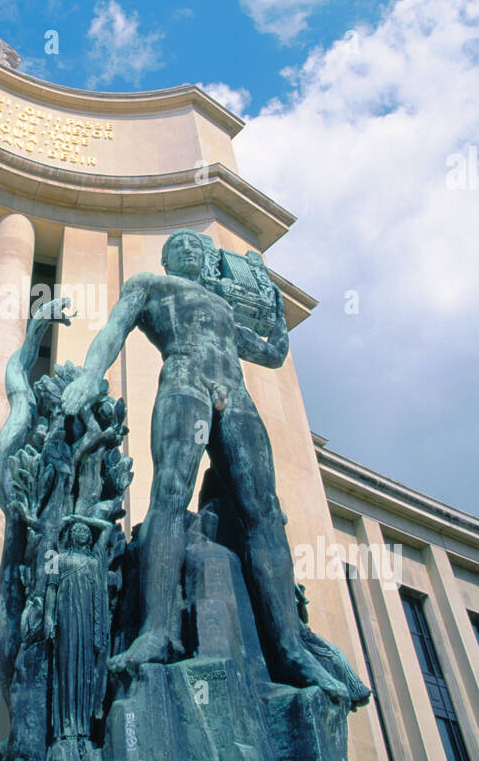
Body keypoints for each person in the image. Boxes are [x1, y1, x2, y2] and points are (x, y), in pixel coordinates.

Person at [60, 229, 349, 700]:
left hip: (234, 393)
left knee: (263, 511)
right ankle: (157, 632)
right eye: (181, 245)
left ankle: (291, 647)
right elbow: (114, 329)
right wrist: (91, 375)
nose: (191, 248)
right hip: (185, 379)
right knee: (169, 497)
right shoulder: (151, 284)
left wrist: (277, 314)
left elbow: (271, 354)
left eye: (197, 245)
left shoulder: (222, 307)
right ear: (167, 257)